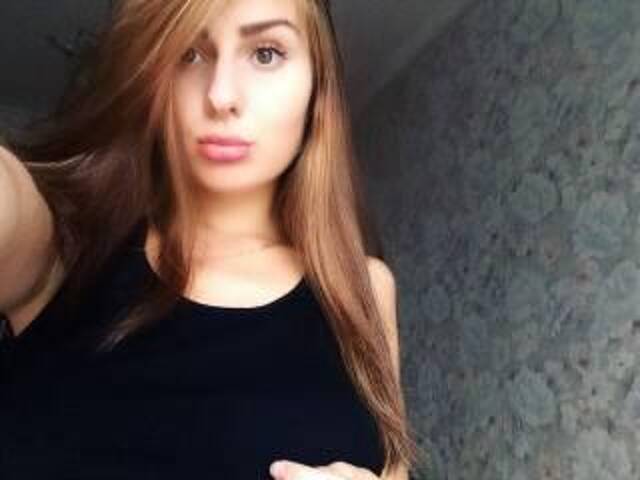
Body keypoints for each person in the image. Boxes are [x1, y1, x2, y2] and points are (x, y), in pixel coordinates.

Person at [0, 0, 424, 478]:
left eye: (265, 53)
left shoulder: (364, 288)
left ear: (316, 87)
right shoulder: (67, 244)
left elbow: (393, 469)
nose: (221, 95)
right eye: (189, 53)